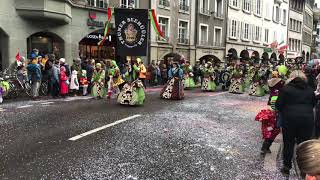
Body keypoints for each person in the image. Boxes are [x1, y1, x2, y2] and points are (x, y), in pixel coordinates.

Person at [276, 70, 316, 176]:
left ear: (291, 78)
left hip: (290, 119)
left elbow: (278, 105)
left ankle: (286, 166)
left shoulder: (286, 89)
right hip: (307, 120)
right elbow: (313, 103)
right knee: (303, 144)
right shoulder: (310, 90)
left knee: (288, 142)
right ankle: (304, 169)